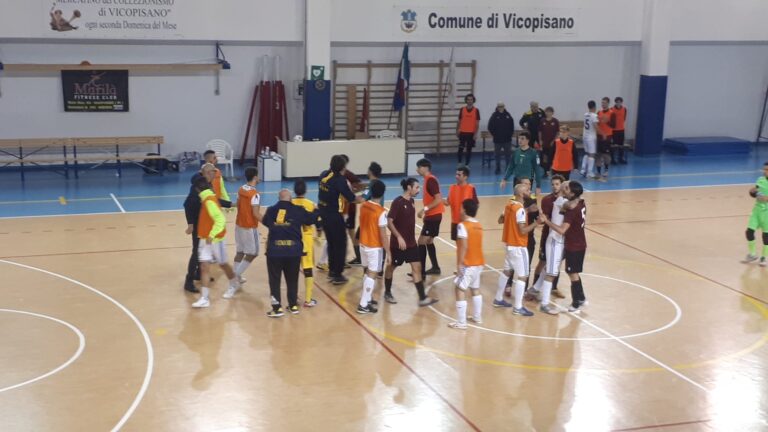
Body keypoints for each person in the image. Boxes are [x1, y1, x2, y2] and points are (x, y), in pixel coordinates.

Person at [262, 189, 320, 317]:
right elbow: (311, 219)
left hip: (275, 251)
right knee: (292, 279)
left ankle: (277, 308)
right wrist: (316, 209)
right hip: (293, 251)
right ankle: (293, 305)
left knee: (274, 280)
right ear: (290, 198)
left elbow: (266, 222)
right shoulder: (298, 210)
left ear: (278, 198)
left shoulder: (271, 210)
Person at [383, 178, 439, 307]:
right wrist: (398, 237)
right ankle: (387, 292)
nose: (419, 190)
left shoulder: (412, 201)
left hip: (411, 243)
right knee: (391, 267)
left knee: (417, 268)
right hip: (399, 245)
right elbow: (389, 222)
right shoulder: (397, 202)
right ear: (409, 187)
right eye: (417, 187)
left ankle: (422, 298)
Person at [539, 181, 589, 312]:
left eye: (566, 188)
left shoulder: (572, 210)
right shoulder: (581, 203)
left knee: (572, 273)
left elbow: (562, 230)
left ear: (572, 193)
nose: (563, 188)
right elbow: (568, 203)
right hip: (581, 243)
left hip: (573, 245)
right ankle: (581, 297)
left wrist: (546, 221)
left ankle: (576, 303)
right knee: (573, 272)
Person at [191, 176, 240, 308]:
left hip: (215, 239)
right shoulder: (207, 199)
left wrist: (212, 235)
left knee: (223, 264)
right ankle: (205, 298)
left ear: (197, 189)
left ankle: (234, 283)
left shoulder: (209, 201)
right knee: (204, 267)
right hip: (205, 238)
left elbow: (220, 220)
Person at [183, 163, 232, 293]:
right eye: (213, 171)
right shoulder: (198, 186)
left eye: (215, 171)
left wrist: (230, 204)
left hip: (205, 223)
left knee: (202, 251)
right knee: (196, 253)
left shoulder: (208, 184)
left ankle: (199, 274)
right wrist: (190, 223)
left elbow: (215, 200)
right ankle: (188, 281)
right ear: (207, 173)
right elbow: (187, 204)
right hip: (198, 224)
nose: (215, 174)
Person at [318, 155, 363, 285]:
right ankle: (337, 274)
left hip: (323, 213)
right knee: (340, 244)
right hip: (334, 215)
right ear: (343, 167)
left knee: (331, 243)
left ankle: (332, 271)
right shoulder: (340, 180)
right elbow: (352, 198)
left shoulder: (323, 175)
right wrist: (365, 196)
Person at [497, 183, 540, 316]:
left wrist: (525, 211)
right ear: (522, 194)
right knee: (522, 276)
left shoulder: (509, 205)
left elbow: (500, 220)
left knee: (507, 272)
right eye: (527, 190)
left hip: (509, 244)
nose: (530, 191)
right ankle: (518, 307)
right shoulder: (520, 209)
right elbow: (522, 230)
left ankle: (498, 298)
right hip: (518, 246)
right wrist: (537, 223)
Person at [529, 176, 569, 314]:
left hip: (559, 240)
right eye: (568, 188)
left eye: (558, 184)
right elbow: (572, 206)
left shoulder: (562, 200)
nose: (554, 186)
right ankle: (544, 304)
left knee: (551, 268)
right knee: (551, 272)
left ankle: (534, 289)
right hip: (554, 240)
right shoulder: (561, 201)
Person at [448, 199, 485, 330]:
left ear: (464, 210)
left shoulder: (462, 226)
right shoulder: (478, 225)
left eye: (461, 208)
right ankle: (477, 317)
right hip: (479, 262)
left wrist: (459, 264)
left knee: (459, 289)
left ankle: (461, 322)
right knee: (475, 289)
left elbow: (463, 246)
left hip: (468, 264)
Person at [357, 180, 390, 314]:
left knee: (367, 272)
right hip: (374, 247)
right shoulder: (381, 212)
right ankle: (363, 304)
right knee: (372, 274)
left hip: (362, 244)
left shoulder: (363, 205)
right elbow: (383, 235)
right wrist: (389, 252)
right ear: (382, 194)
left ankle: (368, 298)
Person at [231, 166, 262, 297]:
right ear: (254, 177)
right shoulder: (255, 194)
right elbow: (256, 214)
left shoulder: (241, 189)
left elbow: (237, 204)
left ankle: (236, 277)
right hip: (249, 227)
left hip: (239, 225)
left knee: (240, 252)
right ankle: (234, 277)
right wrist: (270, 223)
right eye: (258, 175)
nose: (259, 178)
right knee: (253, 253)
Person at [292, 179, 320, 307]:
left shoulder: (290, 203)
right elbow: (318, 222)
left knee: (293, 269)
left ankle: (293, 297)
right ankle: (308, 299)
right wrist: (319, 235)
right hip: (306, 240)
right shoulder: (311, 204)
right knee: (308, 269)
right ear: (306, 190)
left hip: (293, 239)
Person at [416, 158, 444, 278]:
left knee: (421, 242)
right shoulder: (428, 179)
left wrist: (424, 209)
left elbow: (437, 199)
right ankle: (435, 267)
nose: (417, 170)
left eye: (418, 167)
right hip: (433, 216)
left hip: (434, 216)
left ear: (425, 168)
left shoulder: (430, 180)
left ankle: (421, 272)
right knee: (429, 241)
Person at [340, 155, 366, 266]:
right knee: (347, 233)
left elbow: (361, 185)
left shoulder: (348, 174)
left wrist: (351, 194)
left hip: (349, 209)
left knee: (349, 233)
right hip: (341, 209)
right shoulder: (337, 175)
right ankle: (355, 257)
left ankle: (356, 257)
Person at [499, 131, 543, 197]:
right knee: (516, 199)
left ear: (527, 140)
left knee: (526, 199)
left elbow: (537, 170)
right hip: (517, 180)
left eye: (522, 138)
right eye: (519, 138)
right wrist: (504, 179)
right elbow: (511, 167)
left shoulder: (533, 153)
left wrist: (538, 186)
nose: (520, 140)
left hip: (527, 181)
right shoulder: (516, 152)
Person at [444, 165, 479, 241]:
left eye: (459, 175)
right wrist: (437, 198)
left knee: (466, 245)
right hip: (455, 222)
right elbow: (447, 202)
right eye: (456, 174)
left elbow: (476, 204)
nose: (456, 176)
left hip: (466, 223)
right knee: (458, 245)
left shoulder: (471, 188)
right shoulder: (452, 187)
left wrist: (470, 218)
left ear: (465, 177)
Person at [743, 162, 768, 266]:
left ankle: (764, 257)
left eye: (767, 170)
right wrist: (753, 191)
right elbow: (756, 190)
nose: (764, 171)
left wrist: (766, 198)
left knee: (766, 236)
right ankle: (752, 254)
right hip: (756, 210)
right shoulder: (760, 179)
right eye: (764, 169)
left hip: (767, 213)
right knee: (749, 232)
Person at [487, 101, 515, 175]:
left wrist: (510, 134)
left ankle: (508, 169)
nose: (501, 108)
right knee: (497, 155)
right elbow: (490, 126)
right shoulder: (494, 115)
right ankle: (498, 168)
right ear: (497, 107)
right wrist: (494, 135)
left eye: (502, 106)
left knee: (508, 155)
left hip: (507, 140)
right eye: (499, 106)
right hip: (497, 140)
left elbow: (512, 126)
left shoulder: (508, 115)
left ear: (504, 106)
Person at [456, 93, 480, 166]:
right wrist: (457, 130)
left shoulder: (476, 110)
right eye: (468, 99)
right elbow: (459, 121)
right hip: (462, 132)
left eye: (471, 99)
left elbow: (477, 123)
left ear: (473, 101)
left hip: (471, 133)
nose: (469, 101)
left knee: (469, 150)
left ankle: (467, 164)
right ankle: (459, 163)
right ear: (466, 100)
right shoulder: (462, 109)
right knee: (460, 148)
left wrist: (475, 134)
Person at [596, 97, 616, 180]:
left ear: (608, 103)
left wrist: (607, 122)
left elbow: (614, 125)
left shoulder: (612, 113)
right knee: (598, 154)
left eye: (604, 103)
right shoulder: (599, 112)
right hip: (599, 136)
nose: (603, 104)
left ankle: (606, 169)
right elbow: (597, 124)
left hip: (607, 136)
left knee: (606, 154)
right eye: (602, 102)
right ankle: (598, 172)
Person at [579, 100, 600, 179]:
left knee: (587, 153)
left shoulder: (585, 114)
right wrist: (601, 133)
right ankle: (589, 172)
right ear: (594, 107)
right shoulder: (594, 115)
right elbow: (595, 126)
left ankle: (583, 169)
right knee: (592, 154)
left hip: (585, 136)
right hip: (591, 137)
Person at [538, 106, 560, 178]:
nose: (548, 113)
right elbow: (540, 131)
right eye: (547, 112)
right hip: (544, 143)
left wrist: (554, 141)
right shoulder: (542, 121)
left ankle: (552, 170)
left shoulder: (555, 121)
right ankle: (545, 171)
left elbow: (557, 132)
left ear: (552, 113)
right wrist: (540, 140)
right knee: (544, 158)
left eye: (550, 112)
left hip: (552, 143)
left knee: (552, 157)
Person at [611, 97, 628, 164]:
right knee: (614, 146)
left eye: (620, 102)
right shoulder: (612, 109)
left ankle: (620, 158)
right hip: (614, 130)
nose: (618, 103)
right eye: (617, 102)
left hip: (621, 130)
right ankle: (612, 159)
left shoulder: (624, 109)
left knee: (621, 145)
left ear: (621, 102)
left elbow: (624, 118)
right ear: (615, 102)